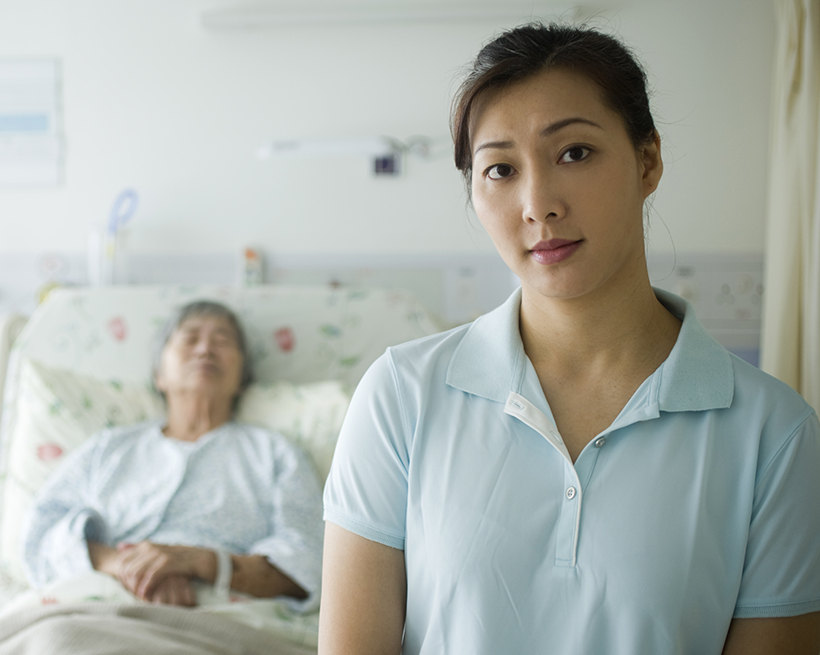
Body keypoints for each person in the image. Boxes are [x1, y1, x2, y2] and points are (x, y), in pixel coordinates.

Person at [319, 23, 820, 654]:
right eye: (499, 169)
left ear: (648, 160)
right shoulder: (401, 396)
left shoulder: (774, 435)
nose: (538, 203)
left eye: (575, 153)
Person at [22, 300, 322, 610]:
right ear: (159, 375)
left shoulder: (276, 455)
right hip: (96, 606)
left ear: (242, 379)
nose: (205, 349)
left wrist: (200, 562)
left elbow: (307, 563)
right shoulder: (107, 450)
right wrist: (128, 564)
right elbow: (40, 536)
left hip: (218, 616)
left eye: (222, 341)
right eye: (190, 338)